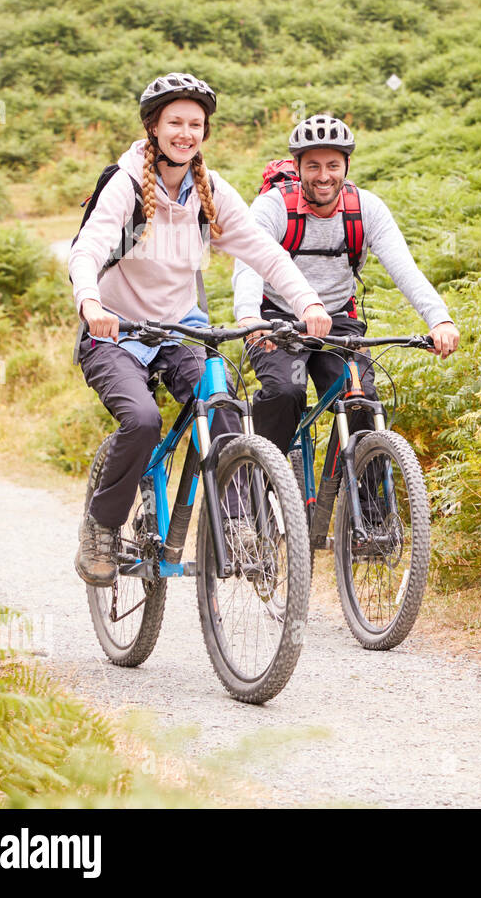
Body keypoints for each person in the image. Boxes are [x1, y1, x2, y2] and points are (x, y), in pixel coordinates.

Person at [69, 73, 333, 586]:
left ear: (204, 132)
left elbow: (264, 253)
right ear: (153, 127)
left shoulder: (209, 190)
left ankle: (236, 525)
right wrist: (89, 300)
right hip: (115, 330)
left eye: (195, 124)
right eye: (175, 123)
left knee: (225, 404)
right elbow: (89, 248)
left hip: (179, 330)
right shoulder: (125, 184)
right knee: (142, 420)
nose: (185, 132)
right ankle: (101, 527)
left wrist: (308, 302)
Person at [233, 114, 458, 458]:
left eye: (333, 165)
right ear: (297, 167)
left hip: (338, 320)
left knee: (361, 401)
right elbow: (250, 262)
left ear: (347, 165)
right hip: (277, 319)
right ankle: (262, 481)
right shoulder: (273, 206)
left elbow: (404, 268)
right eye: (313, 166)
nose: (324, 176)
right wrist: (249, 317)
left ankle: (363, 506)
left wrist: (439, 319)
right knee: (286, 392)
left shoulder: (365, 208)